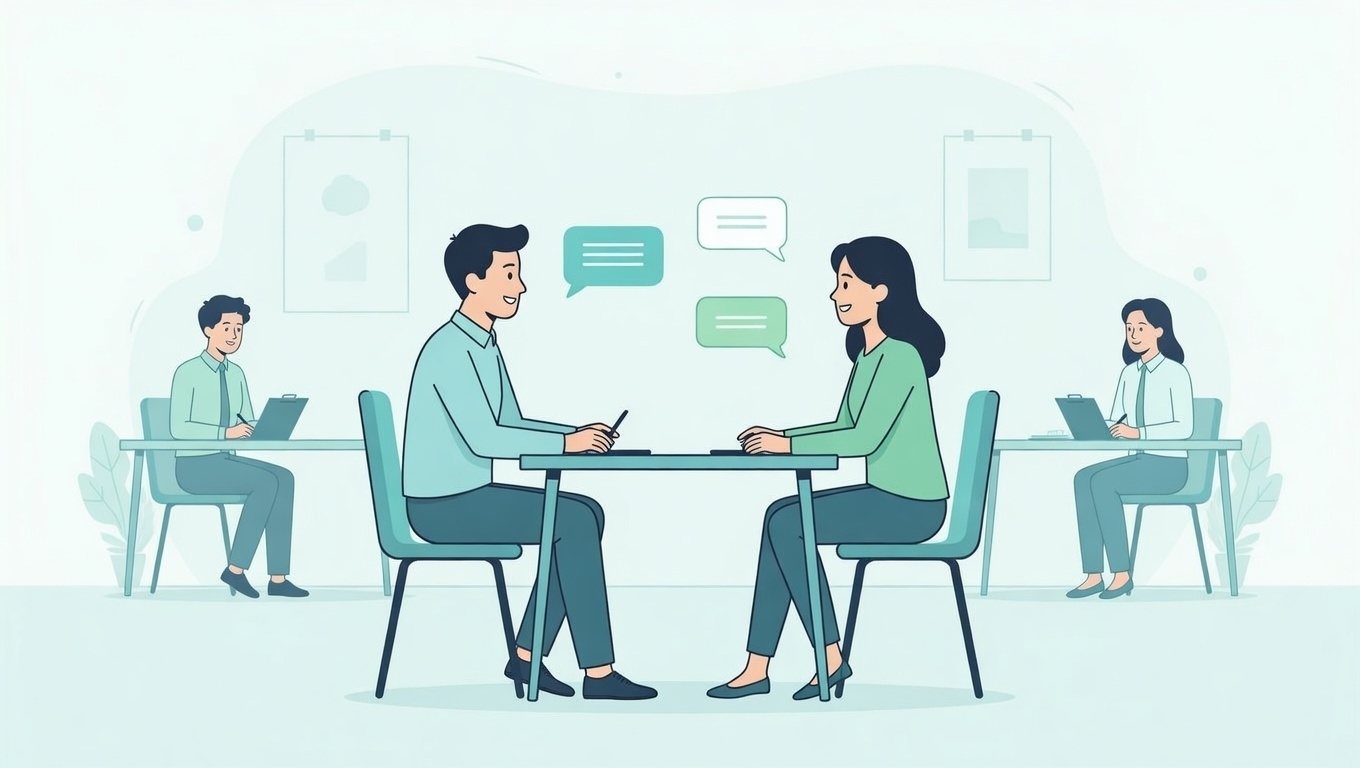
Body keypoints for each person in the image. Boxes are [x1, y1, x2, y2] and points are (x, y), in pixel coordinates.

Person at [402, 223, 656, 701]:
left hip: (466, 494)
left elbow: (511, 420)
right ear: (474, 281)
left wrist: (574, 434)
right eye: (510, 273)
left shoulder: (483, 341)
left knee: (584, 515)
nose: (519, 286)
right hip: (440, 505)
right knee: (575, 520)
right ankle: (596, 672)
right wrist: (570, 445)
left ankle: (525, 657)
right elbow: (485, 438)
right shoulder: (450, 349)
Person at [708, 236, 951, 701]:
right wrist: (783, 438)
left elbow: (863, 439)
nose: (835, 295)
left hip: (913, 506)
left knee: (785, 520)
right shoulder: (867, 355)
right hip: (887, 496)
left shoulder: (901, 357)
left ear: (880, 291)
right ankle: (759, 666)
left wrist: (785, 445)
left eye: (846, 283)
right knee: (782, 519)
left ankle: (828, 657)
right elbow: (843, 424)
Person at [170, 295, 309, 599]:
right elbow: (178, 428)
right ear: (208, 329)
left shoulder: (236, 374)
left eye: (239, 329)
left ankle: (278, 578)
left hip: (224, 461)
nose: (234, 335)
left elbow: (245, 419)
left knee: (284, 477)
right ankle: (235, 570)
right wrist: (225, 431)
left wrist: (270, 424)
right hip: (194, 466)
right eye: (227, 327)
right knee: (264, 481)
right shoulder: (187, 372)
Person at [1067, 298, 1194, 600]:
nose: (1134, 334)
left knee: (1102, 482)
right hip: (1137, 461)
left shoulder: (1175, 373)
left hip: (1169, 466)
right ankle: (1093, 574)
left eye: (1141, 327)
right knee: (1082, 477)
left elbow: (1184, 428)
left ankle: (1122, 574)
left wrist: (1139, 432)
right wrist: (1093, 423)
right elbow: (1117, 417)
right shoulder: (1129, 373)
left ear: (1159, 331)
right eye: (1128, 328)